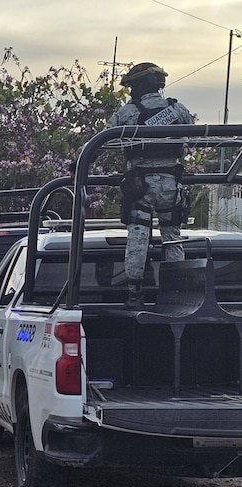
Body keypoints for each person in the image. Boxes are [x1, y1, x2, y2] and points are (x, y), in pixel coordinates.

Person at [107, 62, 194, 309]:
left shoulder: (128, 113)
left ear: (138, 85)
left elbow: (102, 140)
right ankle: (178, 290)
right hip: (170, 185)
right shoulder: (178, 110)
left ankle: (134, 294)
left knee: (137, 238)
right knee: (172, 238)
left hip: (140, 186)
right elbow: (193, 134)